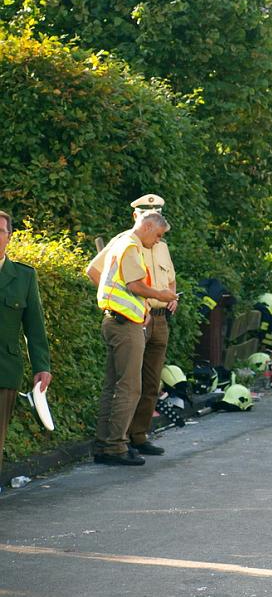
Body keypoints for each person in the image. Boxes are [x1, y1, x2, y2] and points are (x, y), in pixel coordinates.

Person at [86, 194, 177, 456]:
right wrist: (122, 303)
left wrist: (169, 298)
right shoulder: (126, 243)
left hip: (154, 318)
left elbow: (169, 279)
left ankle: (135, 437)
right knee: (127, 385)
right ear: (141, 219)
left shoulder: (158, 246)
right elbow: (103, 275)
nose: (159, 238)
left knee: (147, 384)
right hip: (131, 319)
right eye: (148, 213)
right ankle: (116, 442)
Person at [0, 211, 52, 476]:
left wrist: (41, 366)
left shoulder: (23, 276)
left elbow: (35, 327)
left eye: (0, 231)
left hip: (5, 369)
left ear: (9, 237)